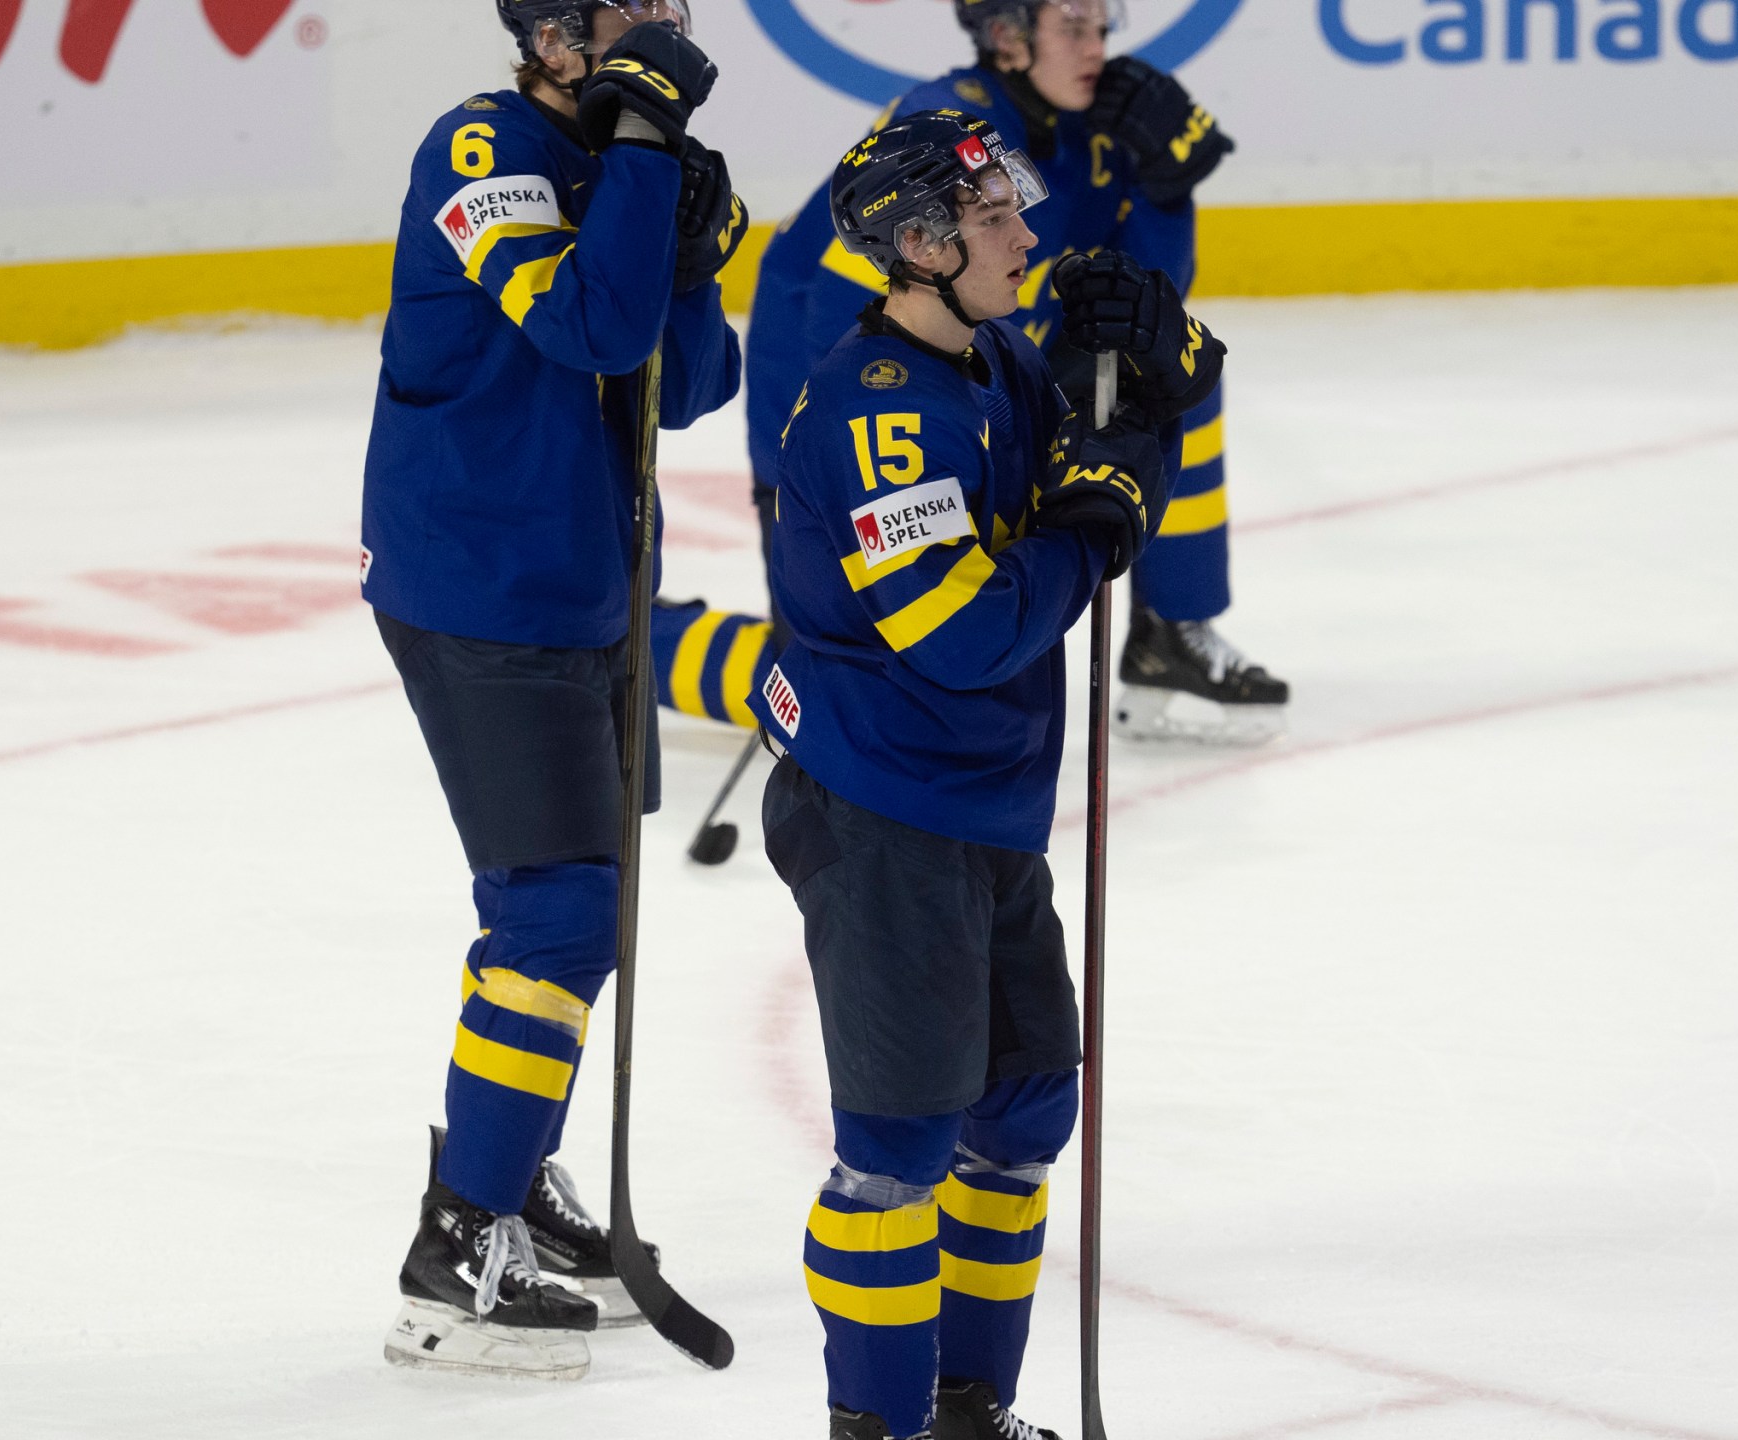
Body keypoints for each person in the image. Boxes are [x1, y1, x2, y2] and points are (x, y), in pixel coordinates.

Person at [752, 112, 1222, 1440]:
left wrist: (1153, 384)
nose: (1027, 231)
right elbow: (961, 634)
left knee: (1021, 1114)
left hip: (987, 806)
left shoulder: (998, 365)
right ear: (920, 244)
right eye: (998, 216)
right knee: (897, 1157)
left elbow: (1103, 474)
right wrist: (1093, 530)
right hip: (888, 813)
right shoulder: (875, 415)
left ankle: (972, 1411)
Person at [358, 0, 743, 1381]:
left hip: (591, 586)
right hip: (480, 584)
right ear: (553, 31)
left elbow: (691, 379)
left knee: (585, 907)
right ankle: (458, 1238)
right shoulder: (481, 153)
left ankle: (509, 1181)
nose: (656, 29)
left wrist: (684, 230)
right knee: (560, 914)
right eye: (626, 12)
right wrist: (642, 157)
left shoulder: (624, 148)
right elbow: (584, 328)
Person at [746, 0, 1285, 746]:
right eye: (1073, 28)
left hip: (998, 351)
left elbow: (1148, 299)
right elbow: (845, 324)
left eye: (1102, 26)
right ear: (1006, 38)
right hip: (838, 372)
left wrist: (1169, 189)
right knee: (862, 648)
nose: (1097, 47)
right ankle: (657, 638)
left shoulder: (1107, 116)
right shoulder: (944, 131)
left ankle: (1173, 630)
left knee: (1176, 384)